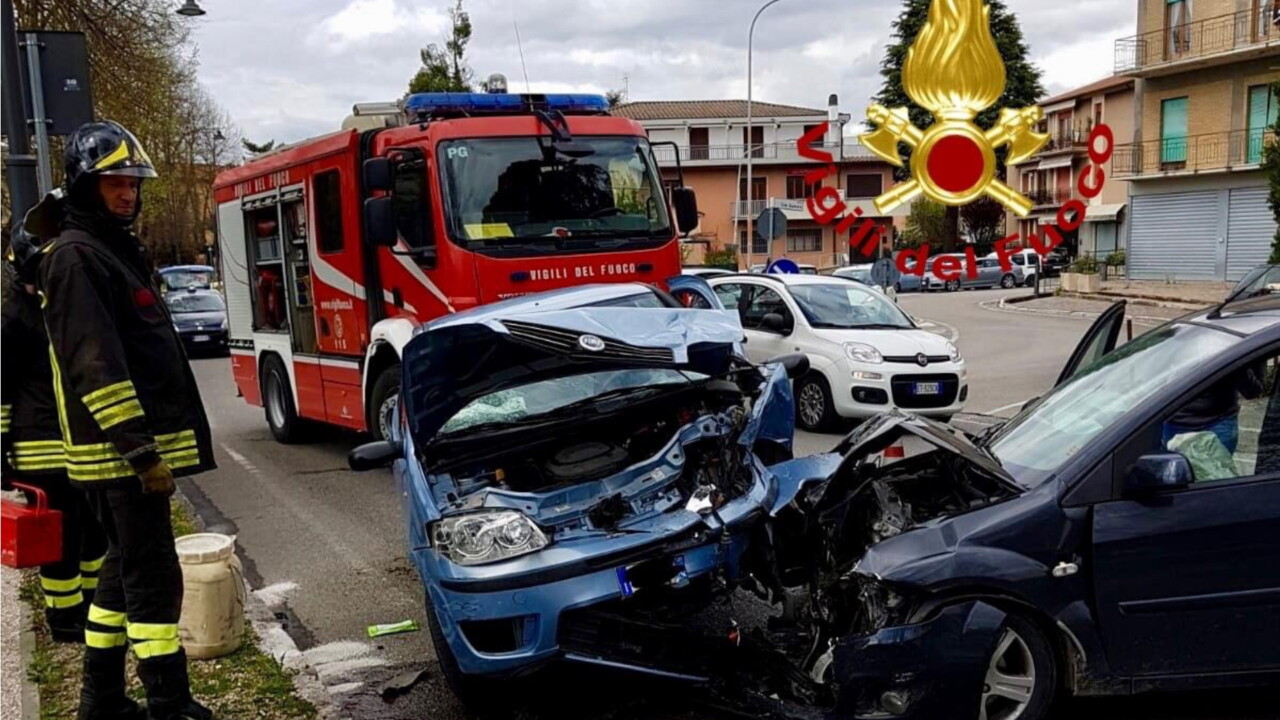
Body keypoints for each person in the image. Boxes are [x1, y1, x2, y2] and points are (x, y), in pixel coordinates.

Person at [41, 120, 217, 720]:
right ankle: (168, 703)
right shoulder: (75, 257)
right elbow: (95, 364)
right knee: (152, 578)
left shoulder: (107, 250)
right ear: (85, 186)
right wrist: (141, 453)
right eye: (114, 182)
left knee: (118, 573)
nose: (127, 194)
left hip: (126, 456)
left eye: (132, 183)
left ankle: (104, 700)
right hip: (120, 459)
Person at [2, 216, 109, 643]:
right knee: (60, 541)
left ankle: (93, 608)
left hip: (78, 444)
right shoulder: (12, 320)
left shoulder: (60, 308)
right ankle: (65, 620)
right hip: (38, 448)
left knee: (93, 532)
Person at [1163, 360, 1268, 455]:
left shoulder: (1239, 344)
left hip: (1218, 423)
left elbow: (1253, 391)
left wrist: (1236, 362)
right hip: (1175, 422)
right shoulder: (1180, 344)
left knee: (1217, 474)